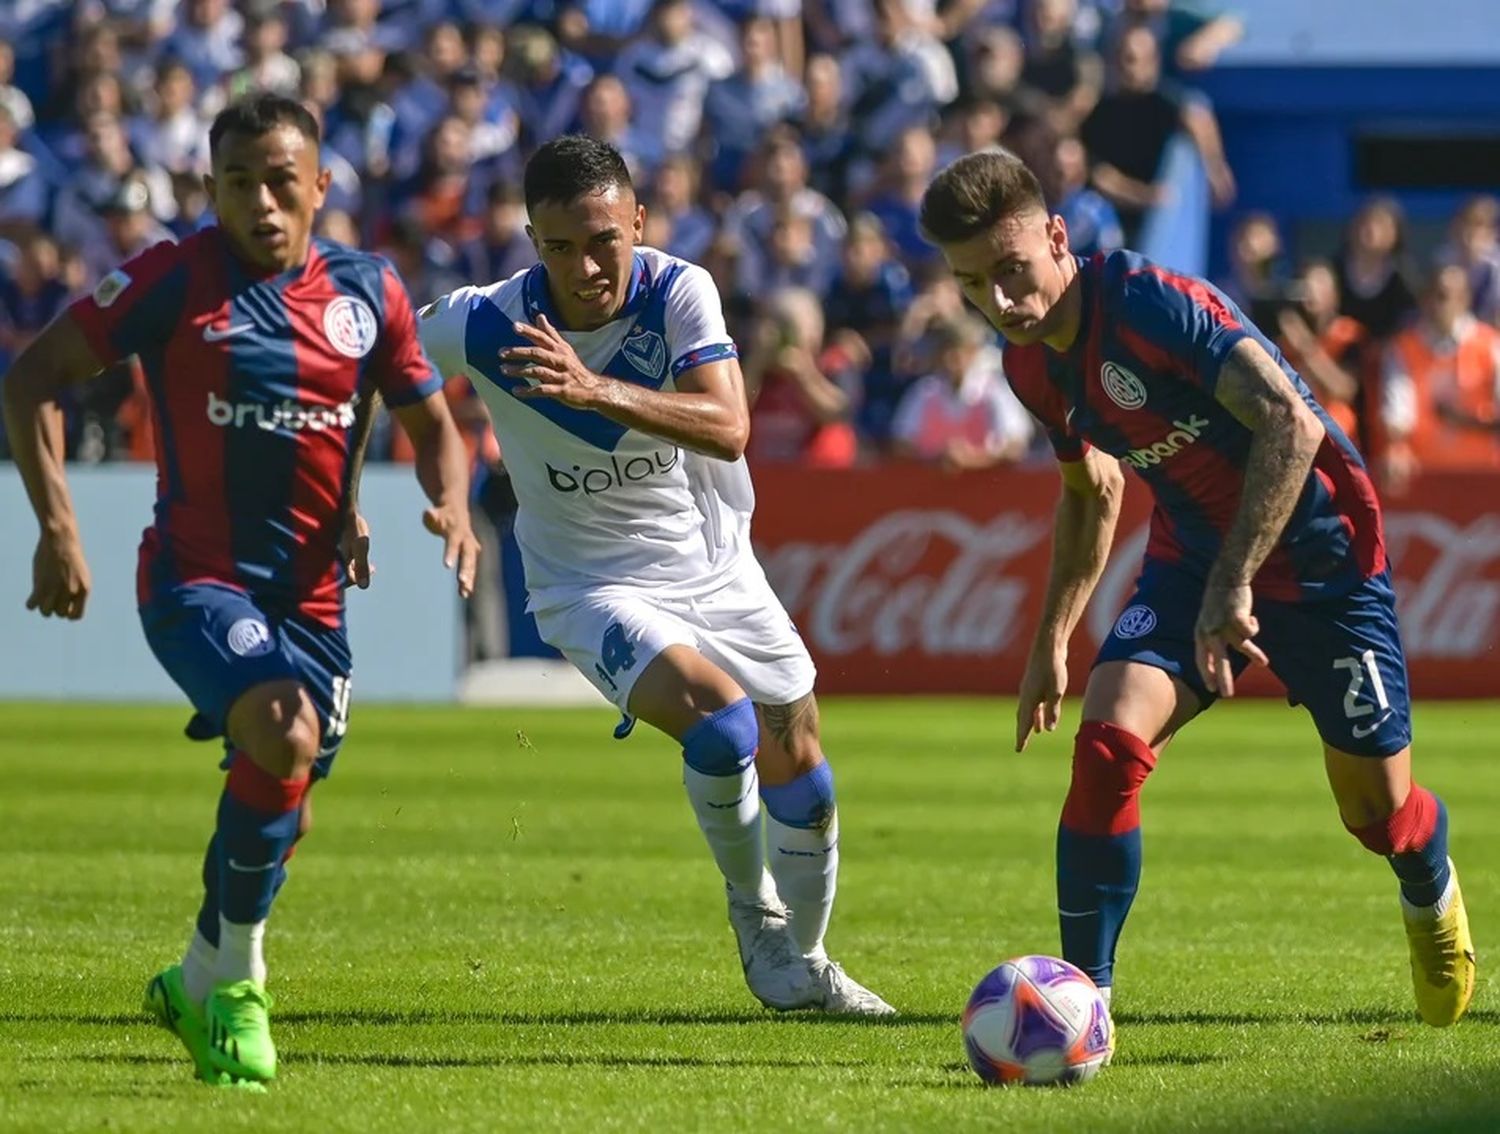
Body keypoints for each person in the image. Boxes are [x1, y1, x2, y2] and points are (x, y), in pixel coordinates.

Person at [917, 149, 1475, 1028]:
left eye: (1012, 271)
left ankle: (1428, 880)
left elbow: (1289, 423)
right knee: (1106, 750)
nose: (1001, 302)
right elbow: (1092, 491)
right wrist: (1052, 642)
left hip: (1324, 561)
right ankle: (1081, 1007)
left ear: (1058, 239)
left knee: (1377, 812)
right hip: (1191, 563)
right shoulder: (1030, 366)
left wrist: (1236, 583)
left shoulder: (1148, 305)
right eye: (972, 285)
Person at [1, 93, 481, 1088]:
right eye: (236, 184)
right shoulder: (175, 277)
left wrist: (453, 507)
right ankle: (239, 991)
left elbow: (432, 424)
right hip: (193, 578)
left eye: (278, 181)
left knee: (283, 803)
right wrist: (56, 530)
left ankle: (193, 975)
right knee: (283, 731)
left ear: (321, 185)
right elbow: (32, 376)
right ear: (207, 189)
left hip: (313, 605)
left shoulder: (371, 293)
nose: (260, 203)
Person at [417, 134, 892, 1017]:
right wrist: (428, 484)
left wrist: (593, 392)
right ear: (532, 239)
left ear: (638, 219)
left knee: (806, 768)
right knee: (722, 726)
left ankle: (809, 961)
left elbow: (729, 427)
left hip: (715, 564)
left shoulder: (680, 290)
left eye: (604, 239)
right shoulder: (485, 321)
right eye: (561, 247)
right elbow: (384, 372)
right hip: (587, 584)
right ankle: (757, 921)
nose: (587, 266)